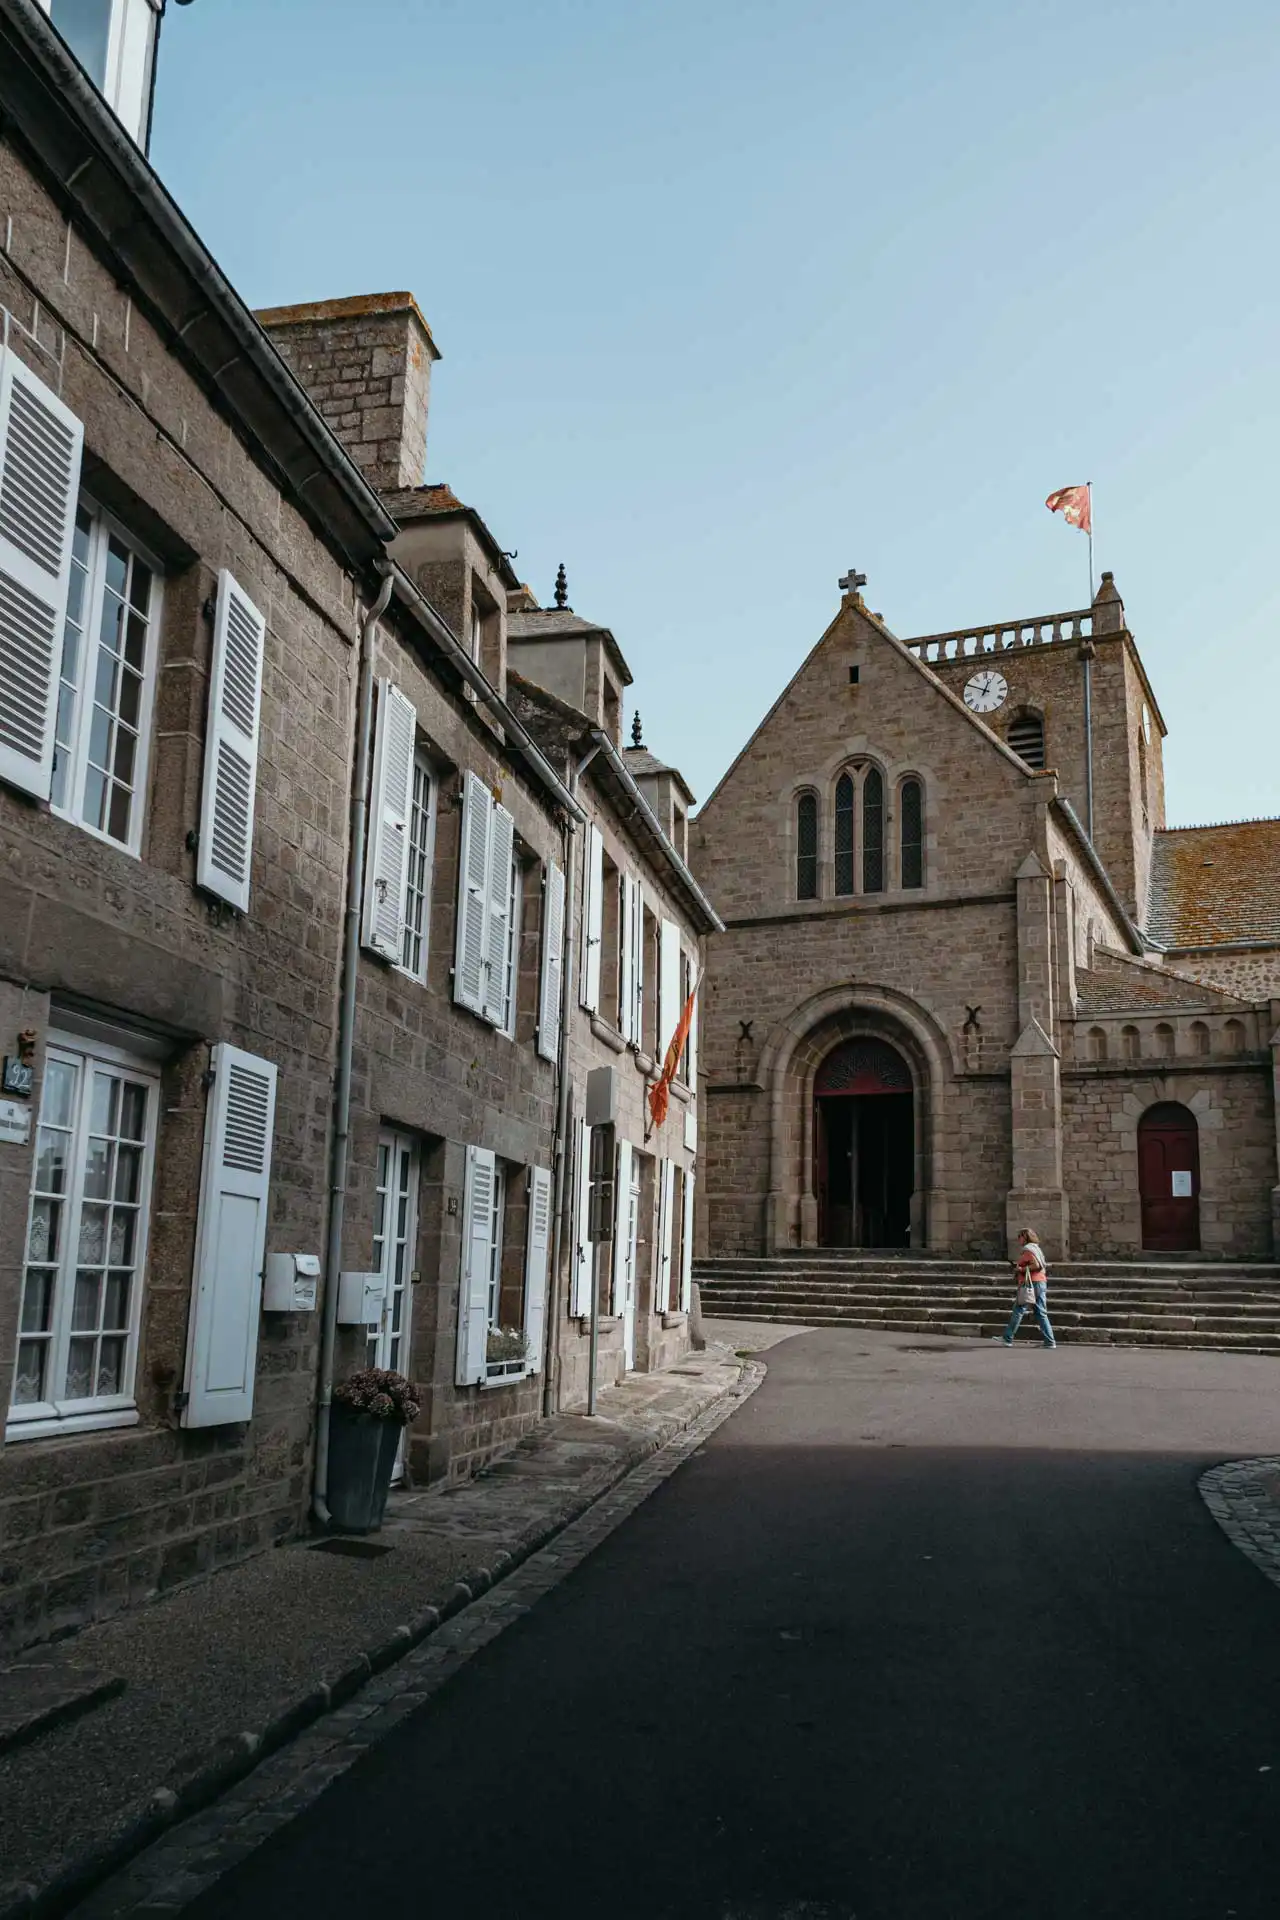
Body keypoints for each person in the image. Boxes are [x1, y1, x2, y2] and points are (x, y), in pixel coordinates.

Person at [996, 1228, 1057, 1349]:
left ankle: (1007, 1338)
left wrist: (1021, 1269)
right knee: (1041, 1312)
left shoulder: (1028, 1249)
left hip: (1030, 1283)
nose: (1018, 1239)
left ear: (1025, 1237)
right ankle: (1050, 1341)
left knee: (1018, 1310)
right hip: (1040, 1282)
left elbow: (1036, 1265)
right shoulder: (1036, 1248)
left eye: (1020, 1236)